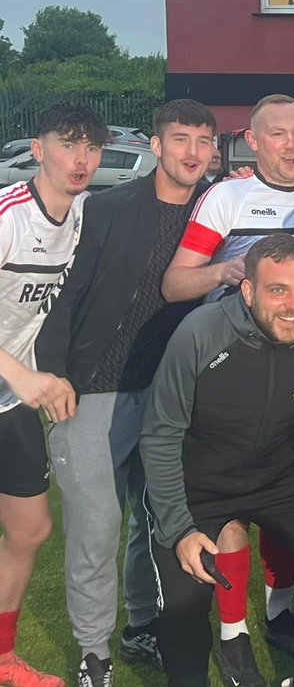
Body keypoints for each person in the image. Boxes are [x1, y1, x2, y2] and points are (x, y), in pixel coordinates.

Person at [35, 100, 216, 687]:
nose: (192, 151)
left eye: (203, 140)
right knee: (97, 525)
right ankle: (95, 652)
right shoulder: (108, 208)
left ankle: (141, 626)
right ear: (156, 146)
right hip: (94, 389)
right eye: (180, 138)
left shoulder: (219, 210)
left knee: (156, 520)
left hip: (168, 393)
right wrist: (58, 373)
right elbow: (64, 295)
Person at [141, 235, 294, 687]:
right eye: (278, 290)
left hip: (277, 475)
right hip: (197, 485)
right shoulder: (199, 334)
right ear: (248, 291)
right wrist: (179, 528)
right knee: (185, 607)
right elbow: (160, 434)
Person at [0, 104, 106, 687]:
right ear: (37, 150)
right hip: (11, 383)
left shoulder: (83, 217)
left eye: (91, 147)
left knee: (30, 529)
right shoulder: (8, 215)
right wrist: (21, 375)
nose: (81, 159)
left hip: (8, 395)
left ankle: (2, 660)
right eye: (68, 145)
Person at [161, 94, 294, 305]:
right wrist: (223, 272)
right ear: (252, 141)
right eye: (278, 134)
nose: (291, 145)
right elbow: (173, 286)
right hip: (239, 332)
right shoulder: (225, 196)